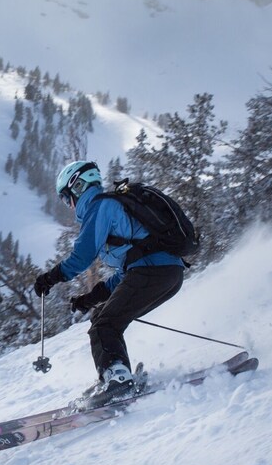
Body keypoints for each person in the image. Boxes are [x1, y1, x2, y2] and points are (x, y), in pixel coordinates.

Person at [33, 160, 185, 404]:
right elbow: (130, 267)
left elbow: (82, 256)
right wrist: (92, 297)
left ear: (78, 186)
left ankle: (118, 379)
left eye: (65, 197)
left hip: (154, 272)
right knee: (103, 316)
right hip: (168, 273)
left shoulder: (100, 206)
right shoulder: (109, 208)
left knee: (105, 323)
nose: (68, 205)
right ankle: (115, 374)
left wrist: (50, 278)